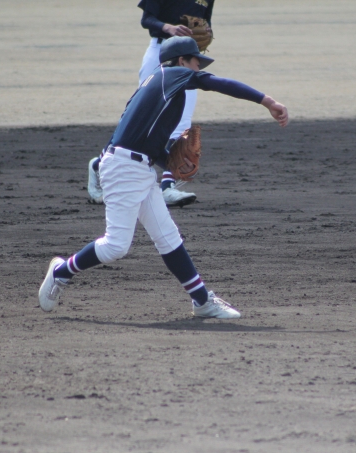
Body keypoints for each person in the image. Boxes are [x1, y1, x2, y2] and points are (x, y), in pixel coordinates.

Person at [41, 37, 289, 319]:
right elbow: (217, 83)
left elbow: (149, 145)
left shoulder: (157, 89)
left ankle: (202, 301)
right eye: (196, 62)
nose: (199, 69)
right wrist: (268, 102)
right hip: (124, 169)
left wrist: (172, 163)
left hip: (137, 168)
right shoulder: (170, 75)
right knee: (115, 246)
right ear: (181, 61)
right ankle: (61, 271)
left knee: (168, 238)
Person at [87, 0, 215, 208]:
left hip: (188, 59)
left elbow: (205, 22)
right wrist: (169, 28)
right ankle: (98, 165)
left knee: (182, 123)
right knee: (139, 120)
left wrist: (207, 31)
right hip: (160, 53)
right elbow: (147, 19)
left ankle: (167, 186)